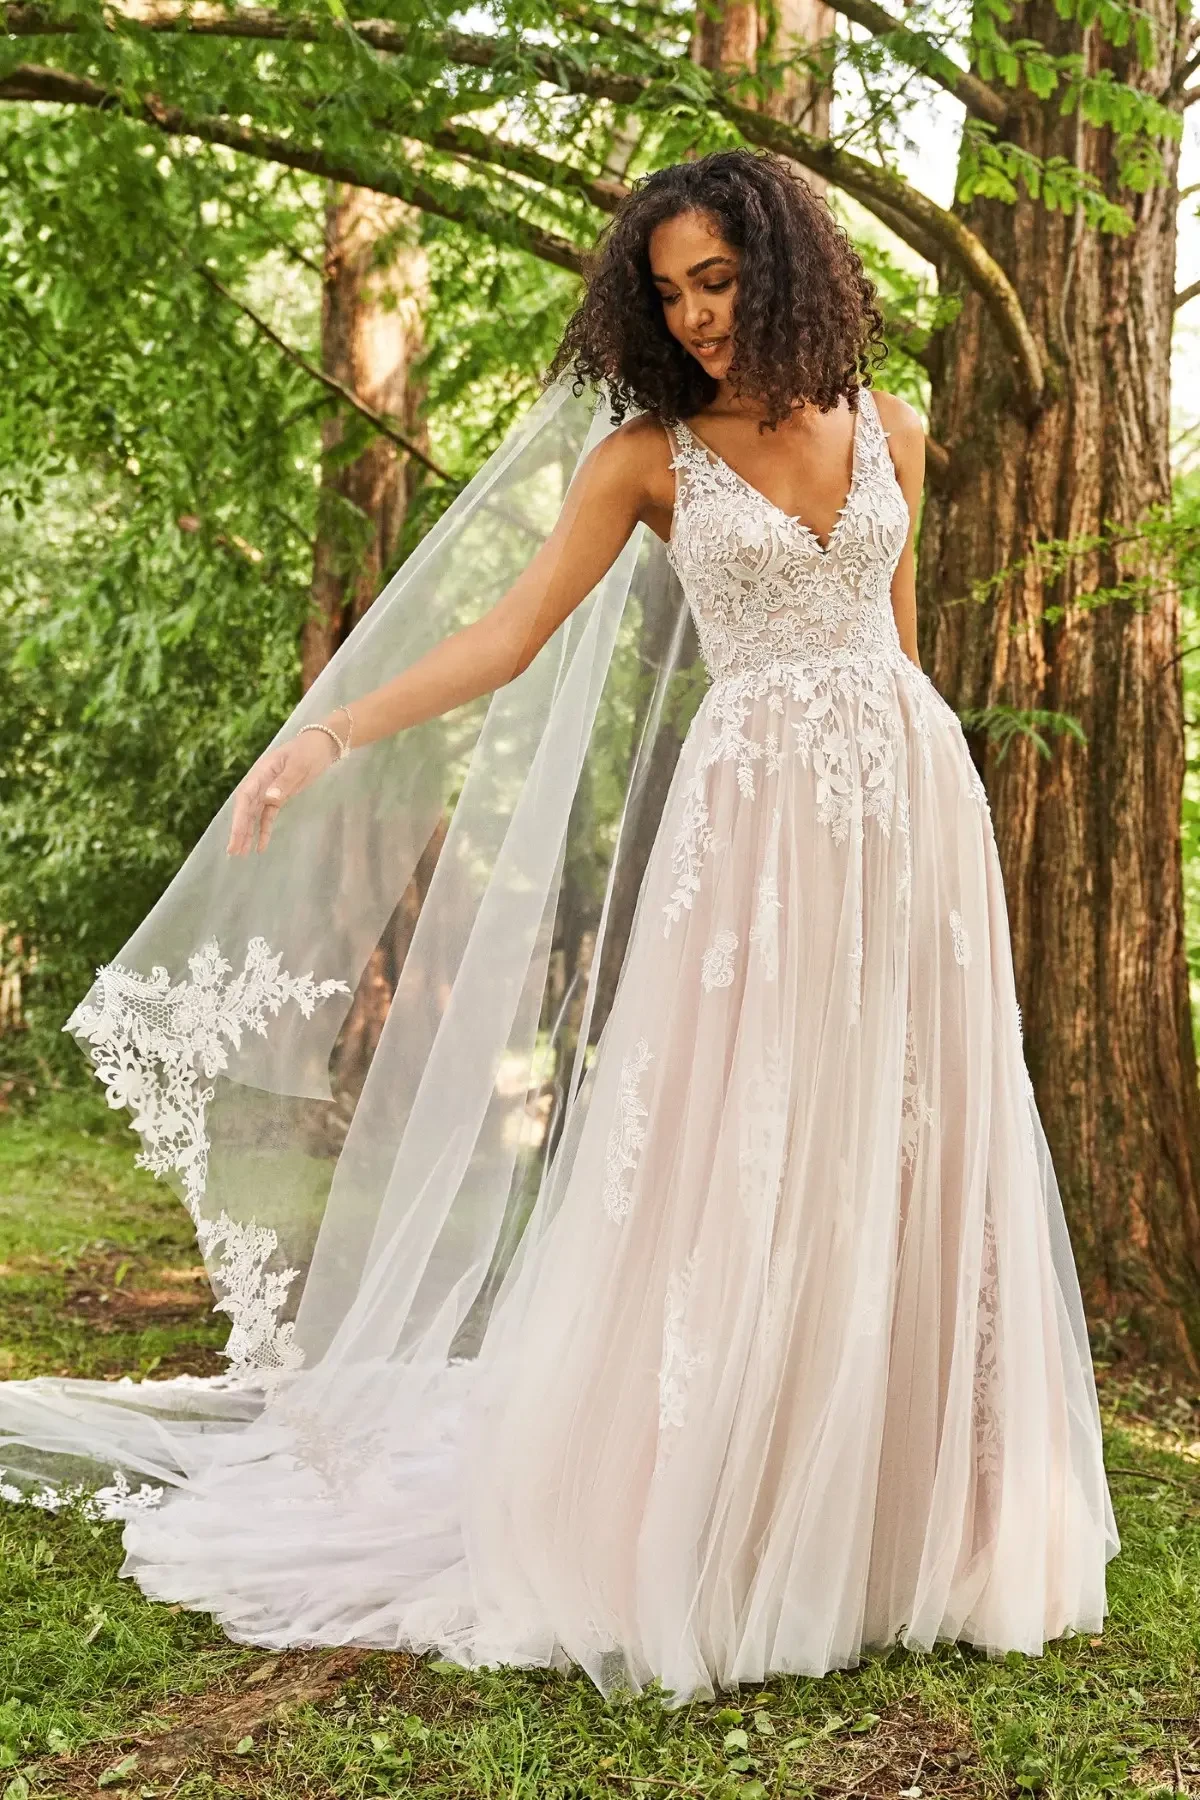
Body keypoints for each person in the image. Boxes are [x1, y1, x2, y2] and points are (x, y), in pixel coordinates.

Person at [2, 149, 1118, 1706]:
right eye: (670, 294)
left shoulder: (897, 432)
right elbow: (512, 633)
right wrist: (330, 733)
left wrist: (927, 811)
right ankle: (725, 1508)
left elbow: (900, 649)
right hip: (754, 831)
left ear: (784, 265)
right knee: (750, 1138)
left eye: (719, 279)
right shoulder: (650, 457)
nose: (699, 315)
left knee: (908, 1132)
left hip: (910, 820)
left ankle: (907, 1516)